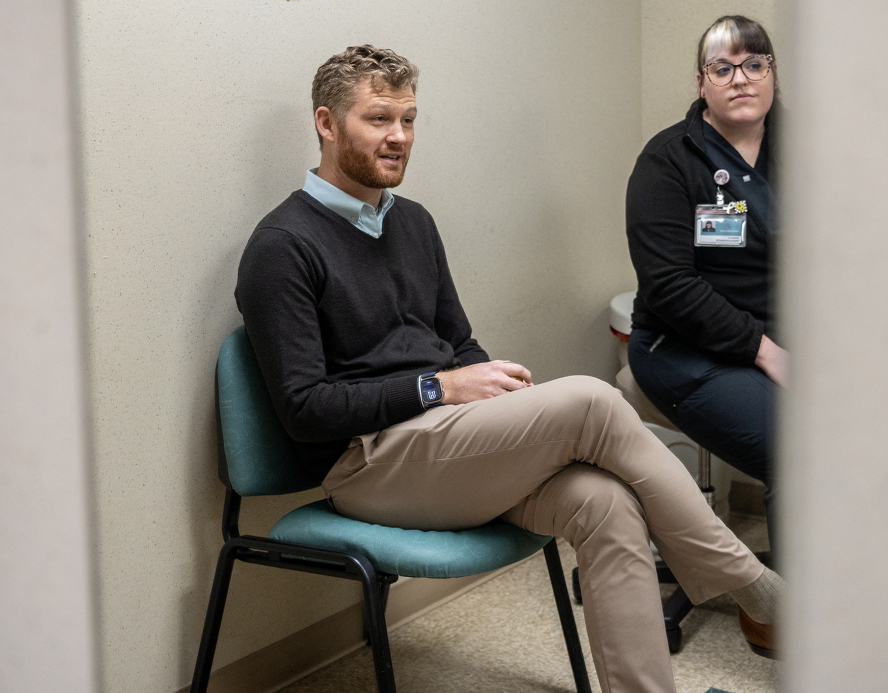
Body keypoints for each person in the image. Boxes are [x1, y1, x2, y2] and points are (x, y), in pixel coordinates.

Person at [235, 44, 782, 690]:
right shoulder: (281, 247)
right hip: (368, 463)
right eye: (378, 119)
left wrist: (486, 389)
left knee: (605, 503)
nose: (399, 137)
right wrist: (439, 385)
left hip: (446, 443)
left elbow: (458, 342)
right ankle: (756, 585)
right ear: (326, 123)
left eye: (409, 120)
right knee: (592, 400)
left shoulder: (413, 224)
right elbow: (304, 410)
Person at [626, 15, 784, 557]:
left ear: (773, 74)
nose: (741, 78)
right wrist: (766, 352)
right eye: (723, 68)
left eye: (754, 64)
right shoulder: (667, 161)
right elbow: (670, 286)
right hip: (684, 348)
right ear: (701, 84)